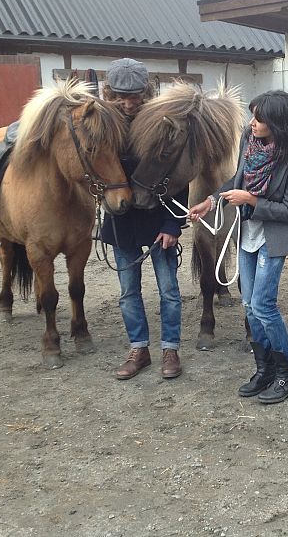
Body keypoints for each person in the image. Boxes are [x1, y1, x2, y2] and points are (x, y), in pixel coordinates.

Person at [189, 90, 288, 404]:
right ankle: (265, 369)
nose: (252, 123)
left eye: (260, 118)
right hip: (247, 235)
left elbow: (287, 210)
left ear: (279, 123)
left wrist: (252, 200)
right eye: (253, 116)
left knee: (264, 307)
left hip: (272, 239)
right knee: (249, 306)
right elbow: (236, 179)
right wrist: (210, 200)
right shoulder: (250, 140)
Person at [101, 58, 187, 380]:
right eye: (121, 97)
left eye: (135, 96)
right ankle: (139, 349)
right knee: (127, 292)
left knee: (169, 290)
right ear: (110, 93)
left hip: (158, 221)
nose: (128, 103)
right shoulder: (104, 124)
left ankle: (170, 349)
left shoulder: (163, 124)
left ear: (146, 92)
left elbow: (180, 176)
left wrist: (172, 225)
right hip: (120, 222)